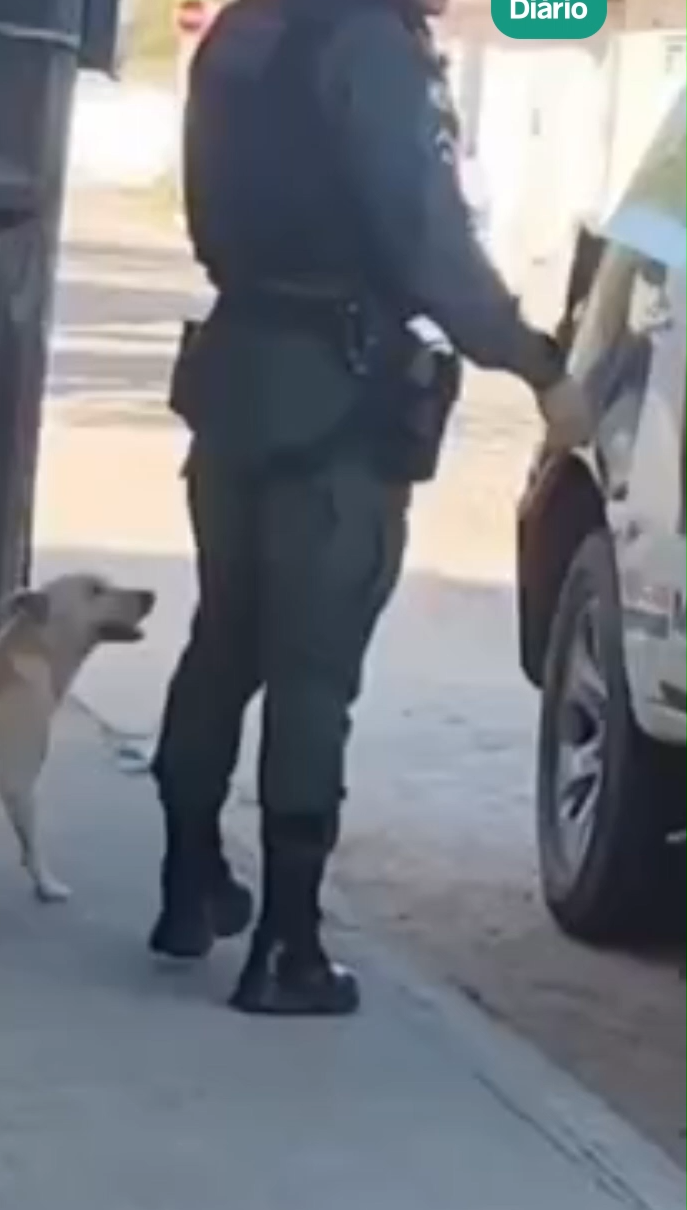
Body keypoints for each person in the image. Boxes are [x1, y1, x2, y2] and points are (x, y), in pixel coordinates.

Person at [149, 0, 592, 1016]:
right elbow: (425, 236)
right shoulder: (370, 50)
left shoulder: (239, 33)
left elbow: (207, 211)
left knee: (225, 639)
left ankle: (187, 887)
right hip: (336, 393)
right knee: (313, 667)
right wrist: (535, 364)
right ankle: (288, 946)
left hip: (237, 367)